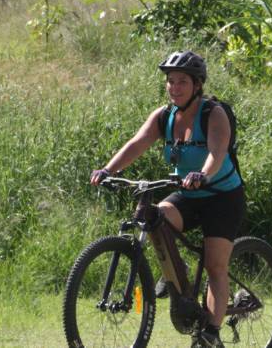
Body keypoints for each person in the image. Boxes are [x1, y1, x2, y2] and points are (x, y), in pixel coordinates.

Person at [90, 51, 244, 347]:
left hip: (223, 197)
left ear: (197, 85)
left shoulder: (213, 113)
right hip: (189, 195)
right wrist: (108, 170)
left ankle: (211, 331)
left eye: (182, 82)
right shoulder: (164, 116)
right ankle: (177, 274)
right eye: (170, 81)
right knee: (153, 217)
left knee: (215, 266)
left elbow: (217, 151)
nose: (175, 87)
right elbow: (137, 143)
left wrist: (202, 174)